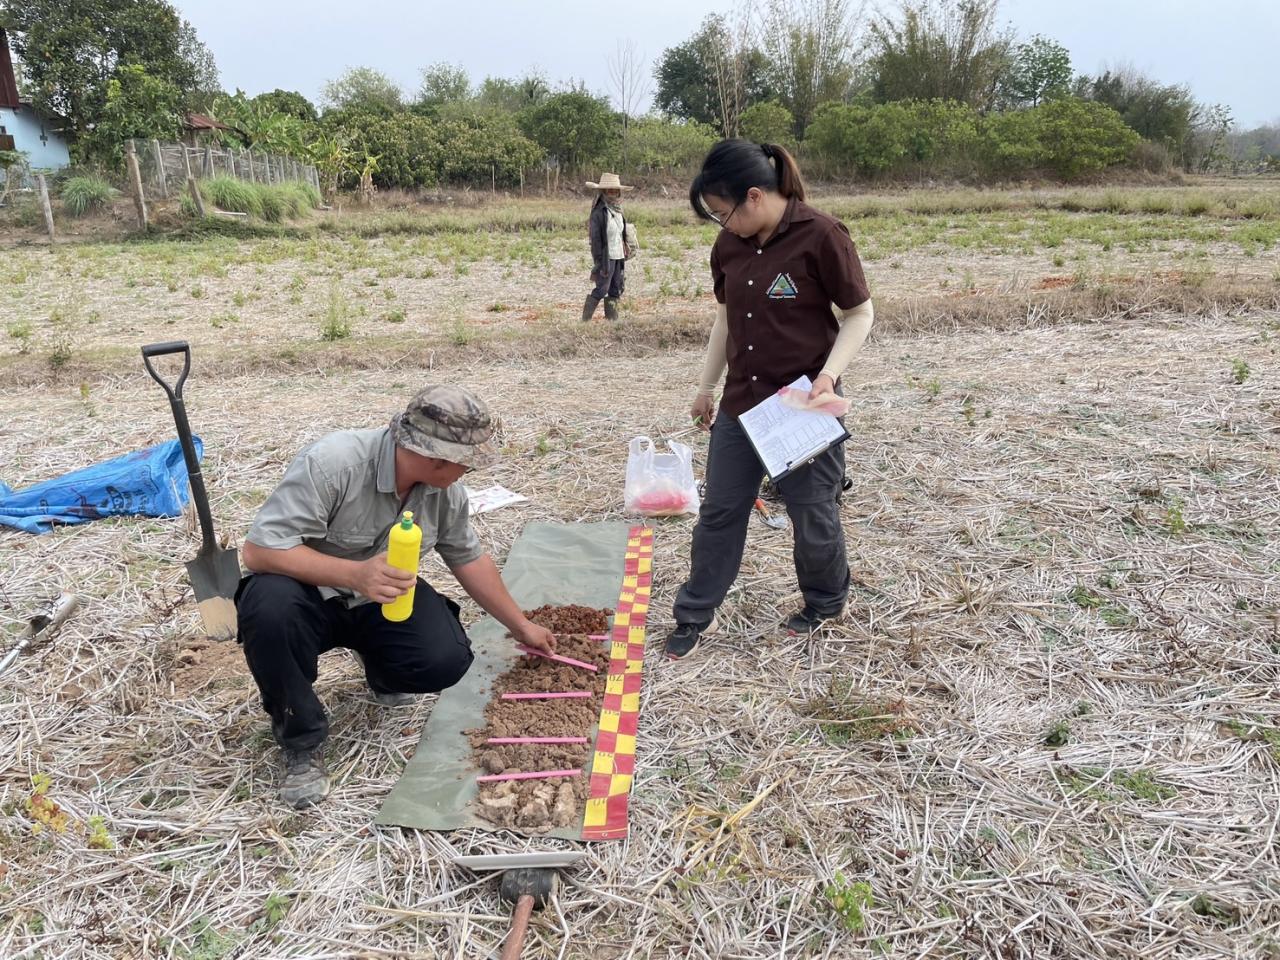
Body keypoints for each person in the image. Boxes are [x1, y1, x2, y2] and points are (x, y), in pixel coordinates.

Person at [235, 386, 557, 808]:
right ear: (432, 455)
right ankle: (301, 742)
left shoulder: (443, 493)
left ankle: (382, 671)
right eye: (465, 464)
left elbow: (469, 558)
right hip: (304, 596)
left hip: (380, 599)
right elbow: (260, 551)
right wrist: (355, 573)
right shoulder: (334, 464)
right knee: (269, 609)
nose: (468, 473)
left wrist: (522, 625)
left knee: (444, 658)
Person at [666, 139, 876, 660]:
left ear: (754, 196)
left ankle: (825, 601)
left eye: (722, 213)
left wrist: (829, 376)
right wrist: (705, 386)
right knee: (719, 511)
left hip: (803, 402)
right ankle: (694, 613)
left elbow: (859, 314)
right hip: (742, 401)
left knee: (812, 512)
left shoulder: (822, 235)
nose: (722, 225)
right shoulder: (730, 248)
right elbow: (724, 319)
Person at [582, 172, 634, 322]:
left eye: (614, 190)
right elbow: (596, 240)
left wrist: (626, 246)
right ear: (603, 192)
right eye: (609, 190)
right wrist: (599, 262)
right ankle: (584, 322)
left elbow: (621, 233)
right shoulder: (598, 213)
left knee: (615, 289)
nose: (612, 193)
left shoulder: (618, 211)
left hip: (618, 256)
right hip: (606, 257)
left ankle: (612, 322)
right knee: (601, 289)